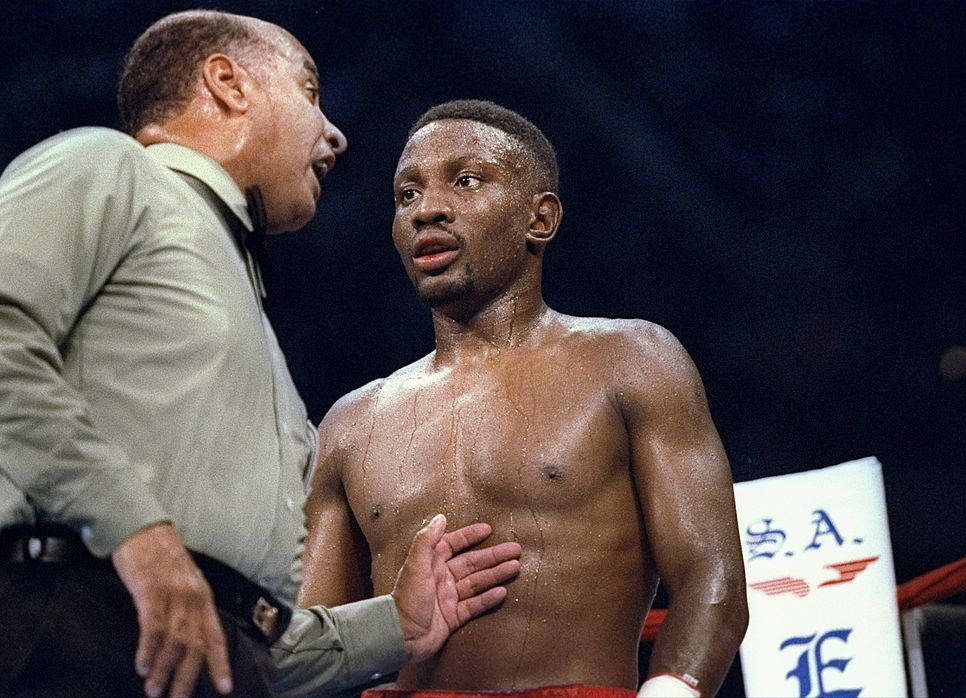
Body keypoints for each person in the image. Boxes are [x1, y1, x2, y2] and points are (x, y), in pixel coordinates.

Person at [0, 14, 521, 698]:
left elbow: (231, 634)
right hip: (67, 625)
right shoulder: (107, 165)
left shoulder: (240, 299)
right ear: (226, 83)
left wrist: (397, 626)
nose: (333, 133)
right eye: (309, 90)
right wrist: (142, 537)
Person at [300, 99, 748, 697]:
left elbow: (710, 577)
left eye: (465, 181)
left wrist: (672, 691)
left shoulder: (631, 360)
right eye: (406, 194)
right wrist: (384, 630)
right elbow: (301, 652)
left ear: (539, 219)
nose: (427, 209)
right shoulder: (350, 424)